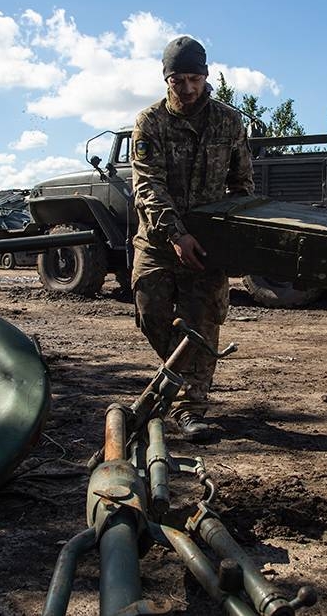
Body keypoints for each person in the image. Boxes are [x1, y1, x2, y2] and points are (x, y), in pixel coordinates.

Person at [130, 36, 254, 442]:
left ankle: (190, 406)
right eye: (177, 79)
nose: (186, 88)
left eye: (194, 78)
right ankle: (183, 379)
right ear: (166, 80)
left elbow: (242, 184)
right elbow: (147, 185)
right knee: (151, 314)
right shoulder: (150, 123)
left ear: (205, 76)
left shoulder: (228, 122)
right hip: (157, 242)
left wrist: (235, 235)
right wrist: (176, 234)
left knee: (204, 322)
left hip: (208, 243)